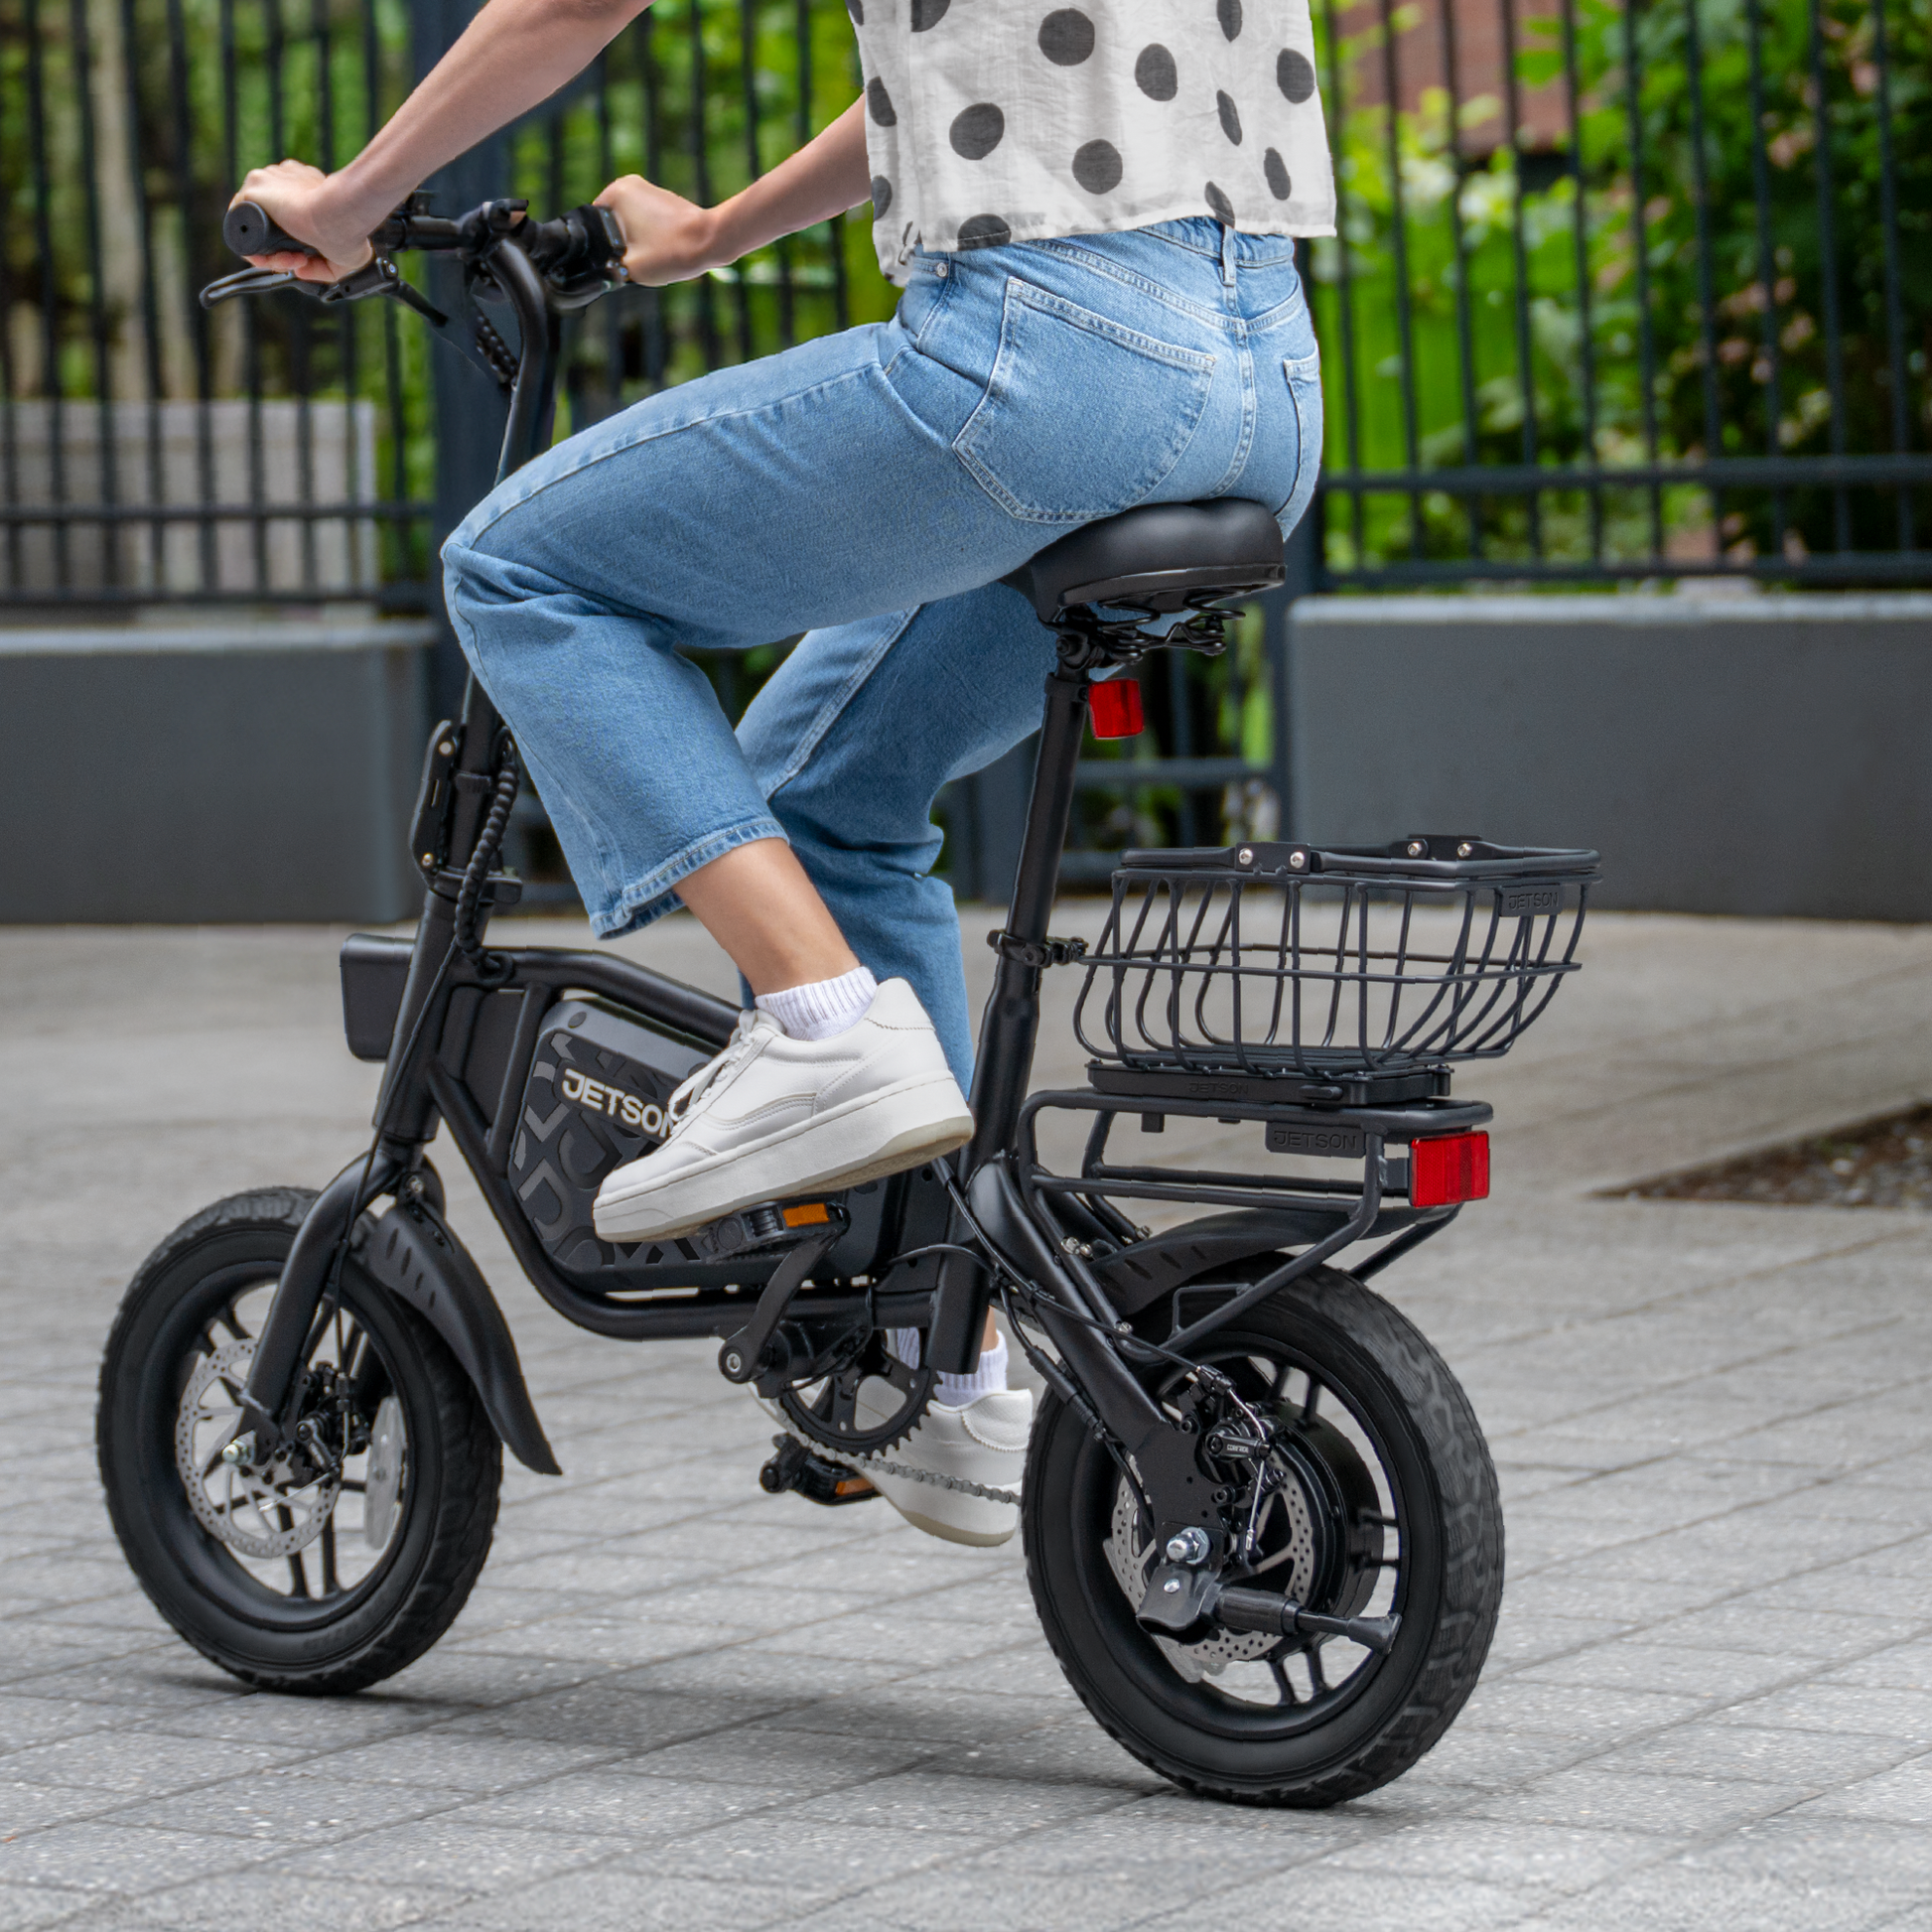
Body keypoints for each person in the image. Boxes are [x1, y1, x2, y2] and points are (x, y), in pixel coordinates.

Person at [233, 0, 1331, 1545]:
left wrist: (352, 202)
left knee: (520, 570)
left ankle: (821, 1027)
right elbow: (984, 84)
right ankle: (947, 1368)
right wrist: (711, 234)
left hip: (1054, 366)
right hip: (1265, 392)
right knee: (832, 802)